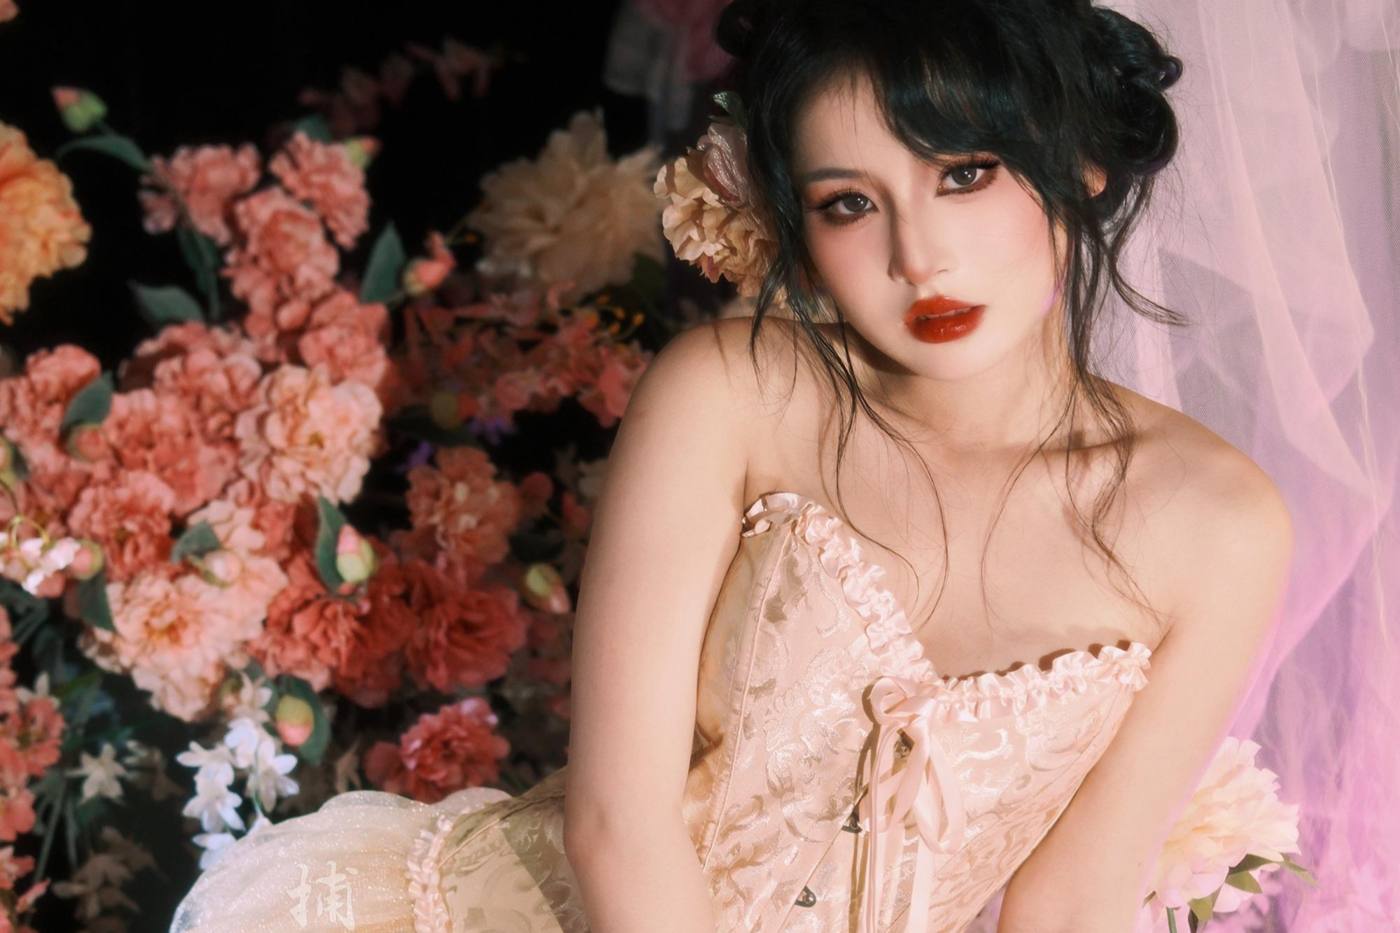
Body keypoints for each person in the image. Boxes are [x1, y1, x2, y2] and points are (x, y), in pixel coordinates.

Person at [168, 2, 1299, 932]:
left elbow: (1072, 905)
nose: (917, 257)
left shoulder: (1218, 526)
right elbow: (616, 826)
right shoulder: (729, 394)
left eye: (966, 173)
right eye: (849, 204)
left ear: (1082, 163)